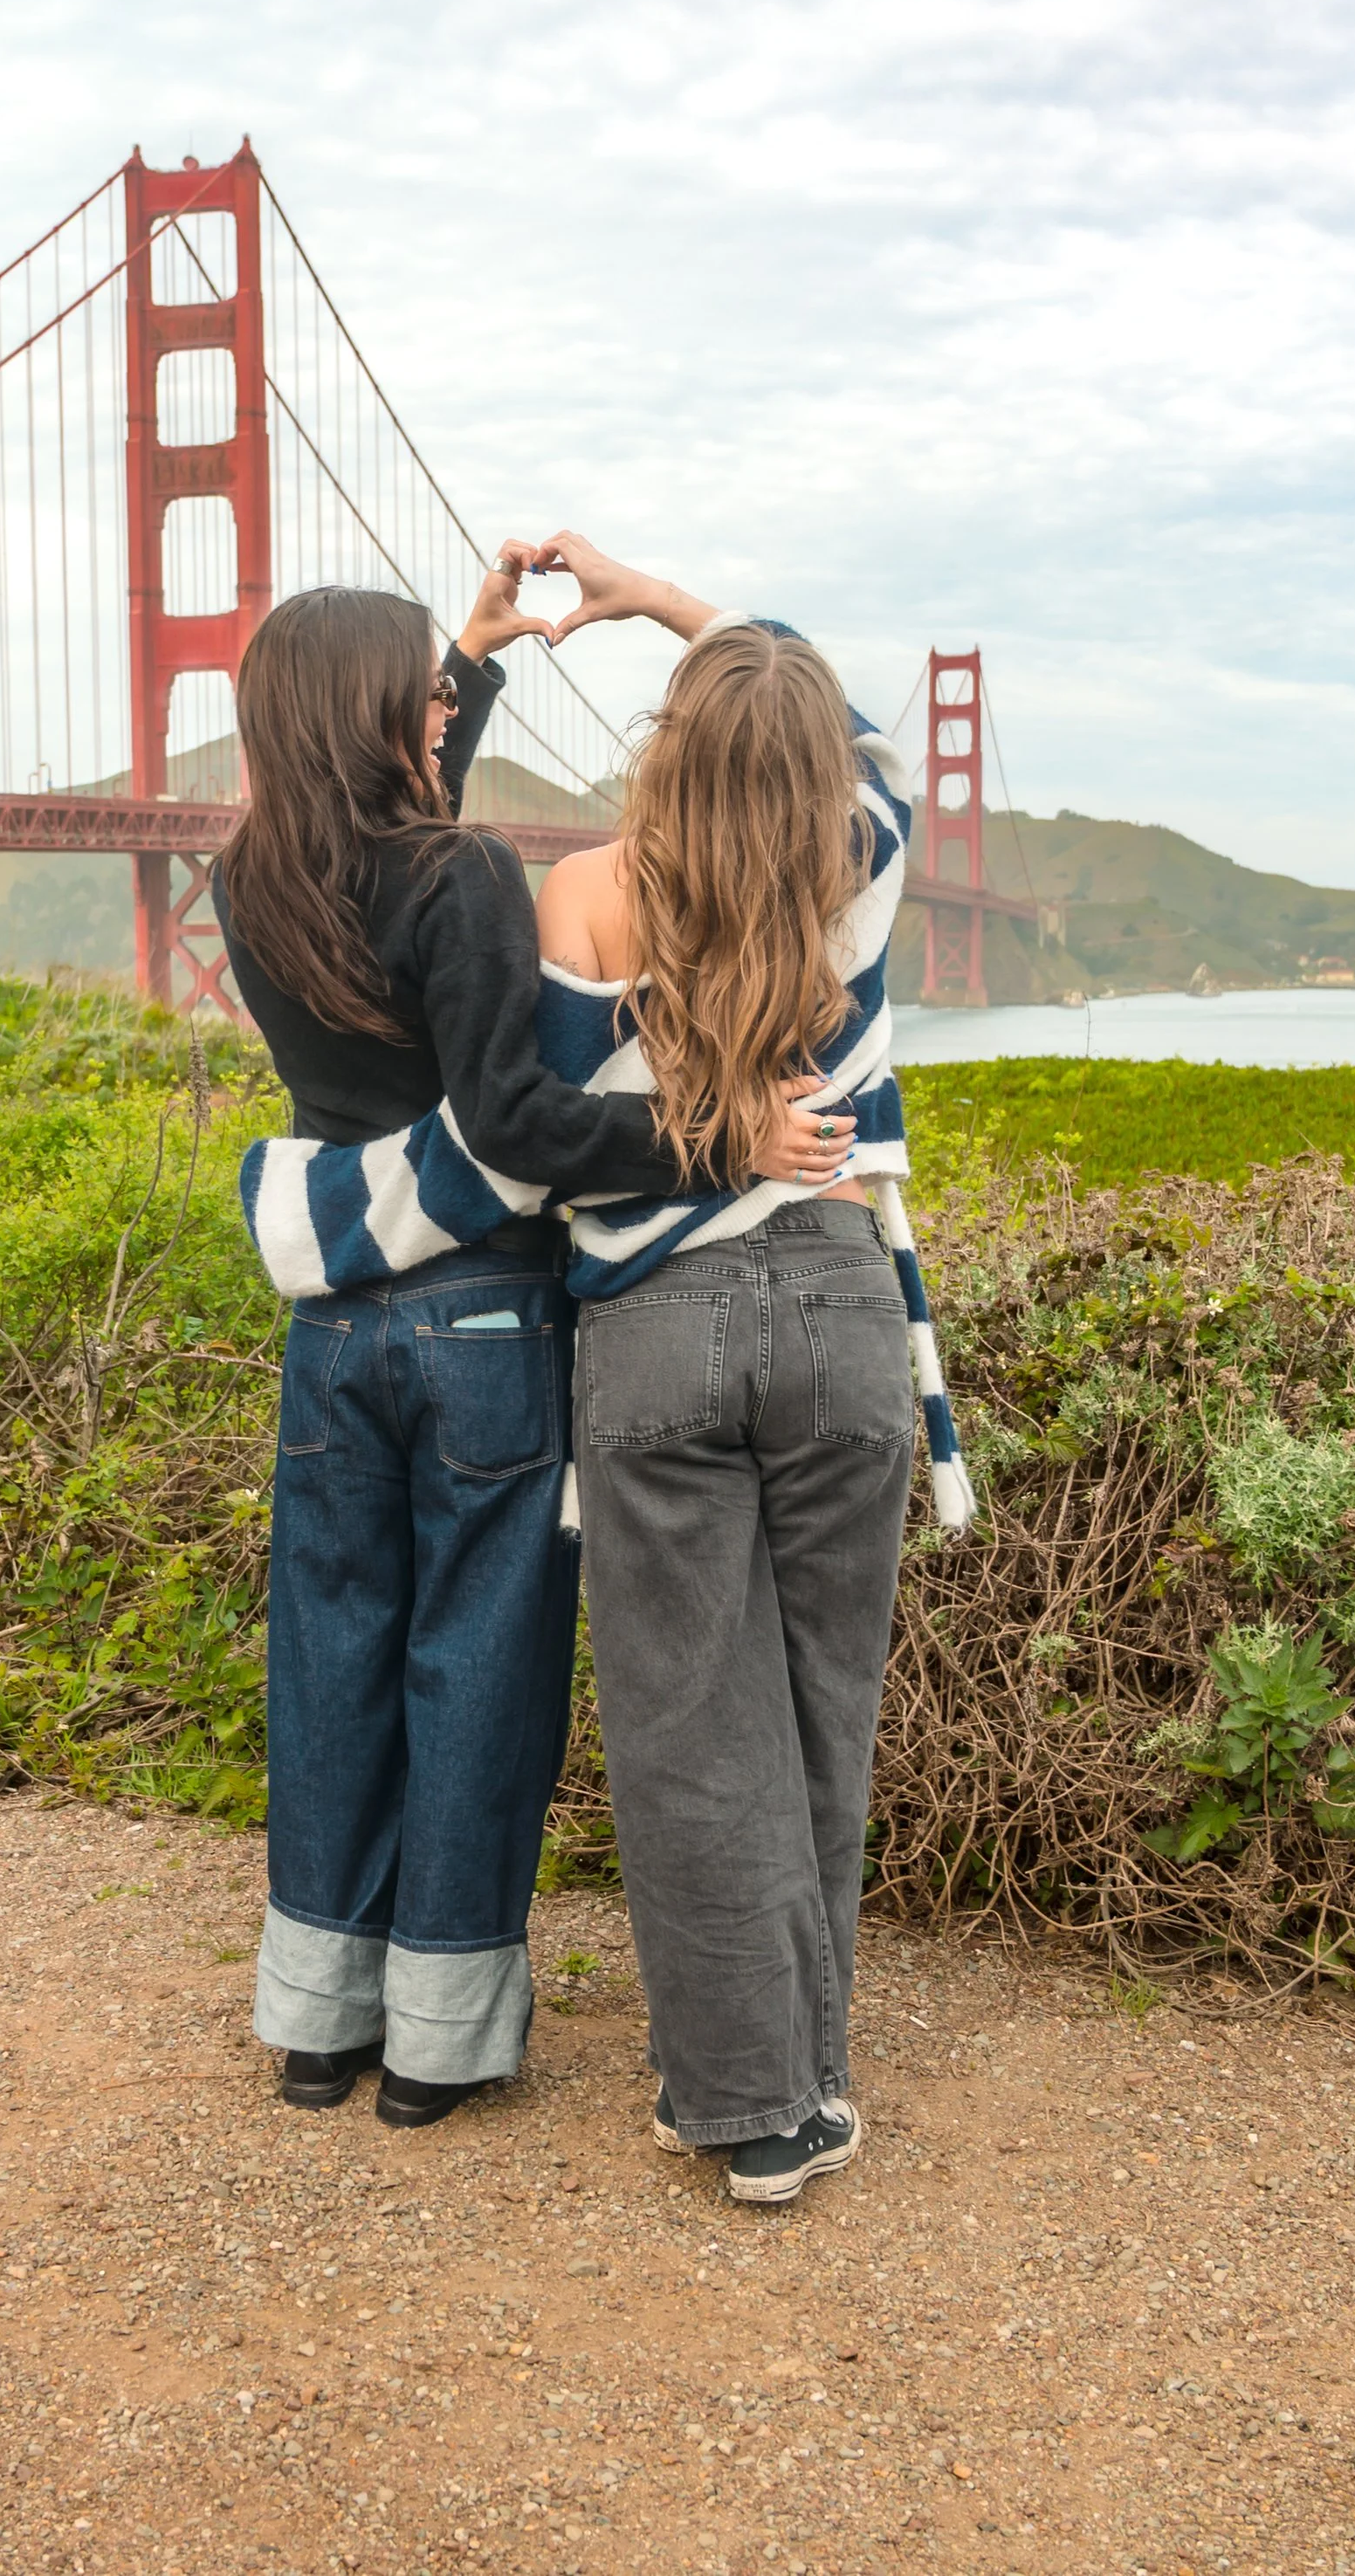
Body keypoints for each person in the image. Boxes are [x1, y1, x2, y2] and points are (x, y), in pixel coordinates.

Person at [212, 556, 851, 2130]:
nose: (448, 702)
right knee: (478, 1670)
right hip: (484, 1321)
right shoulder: (474, 873)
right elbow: (516, 1120)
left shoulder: (246, 877)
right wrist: (725, 1149)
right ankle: (433, 2046)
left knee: (333, 1662)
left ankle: (314, 2023)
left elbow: (397, 874)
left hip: (330, 1327)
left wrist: (478, 668)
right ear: (381, 710)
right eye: (430, 689)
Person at [526, 535, 974, 2205]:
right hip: (843, 1313)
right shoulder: (856, 862)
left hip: (653, 1328)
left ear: (670, 748)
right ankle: (812, 2077)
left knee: (685, 1724)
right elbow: (830, 713)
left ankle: (743, 2103)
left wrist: (699, 1144)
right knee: (815, 1711)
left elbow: (567, 1146)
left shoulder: (582, 892)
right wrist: (663, 592)